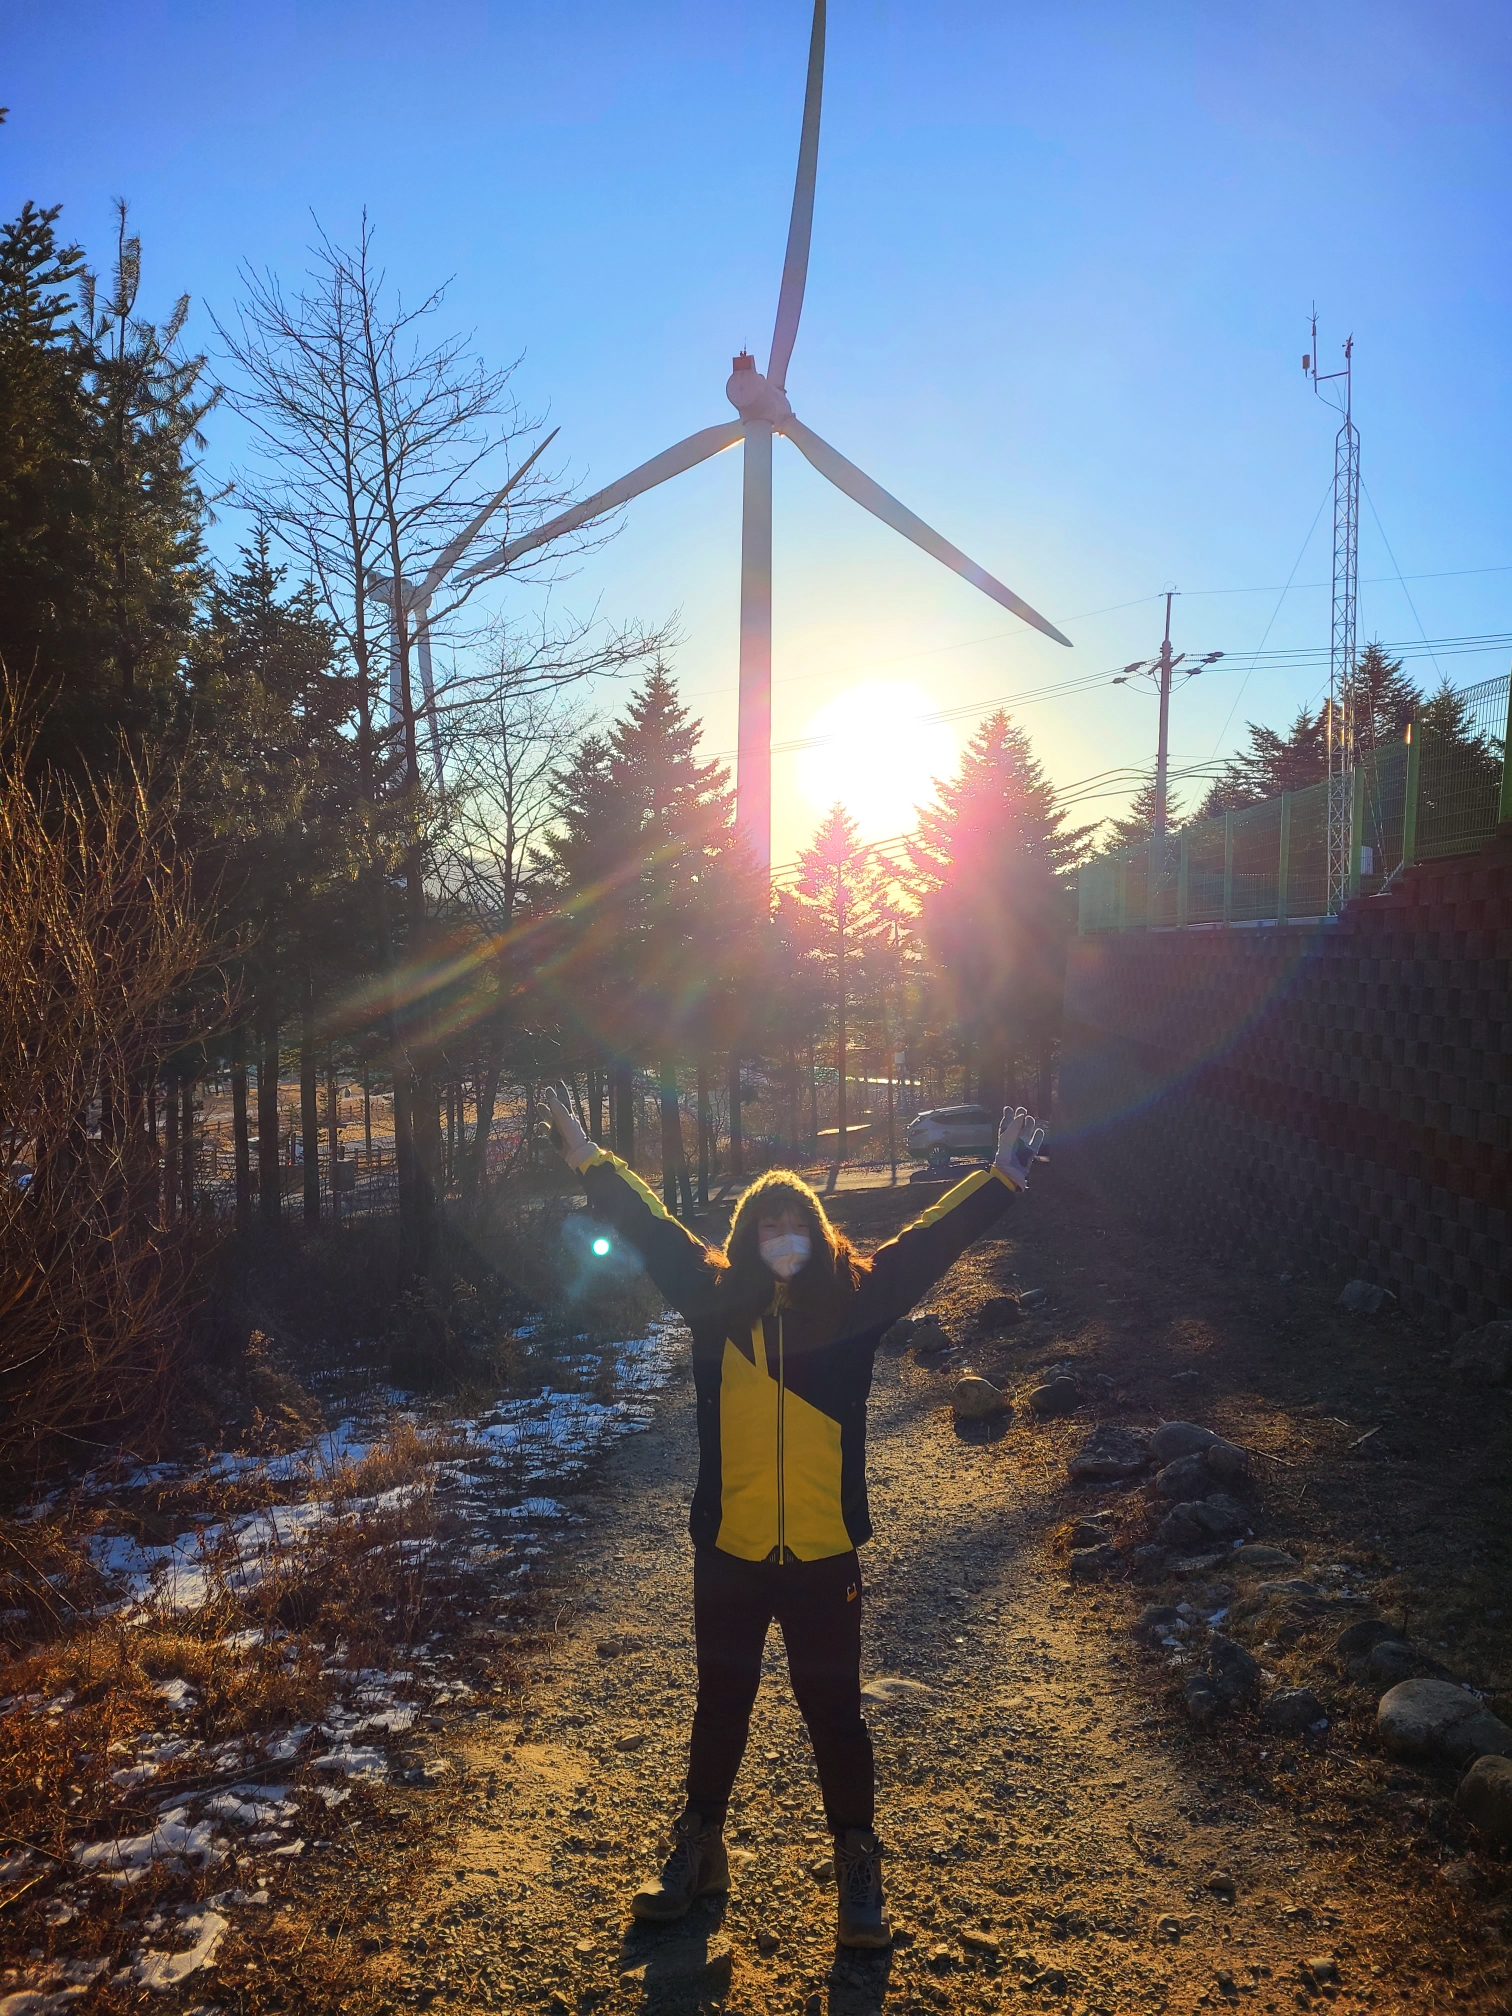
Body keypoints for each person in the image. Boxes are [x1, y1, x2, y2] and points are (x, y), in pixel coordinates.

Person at [540, 1086, 1045, 1950]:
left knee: (835, 1715)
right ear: (747, 1237)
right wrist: (591, 1159)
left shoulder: (852, 1302)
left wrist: (1001, 1177)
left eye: (795, 1224)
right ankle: (700, 1848)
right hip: (730, 1552)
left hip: (822, 1556)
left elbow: (929, 1243)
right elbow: (654, 1228)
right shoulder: (713, 1300)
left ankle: (857, 1865)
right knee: (719, 1706)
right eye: (767, 1225)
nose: (782, 1238)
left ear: (815, 1233)